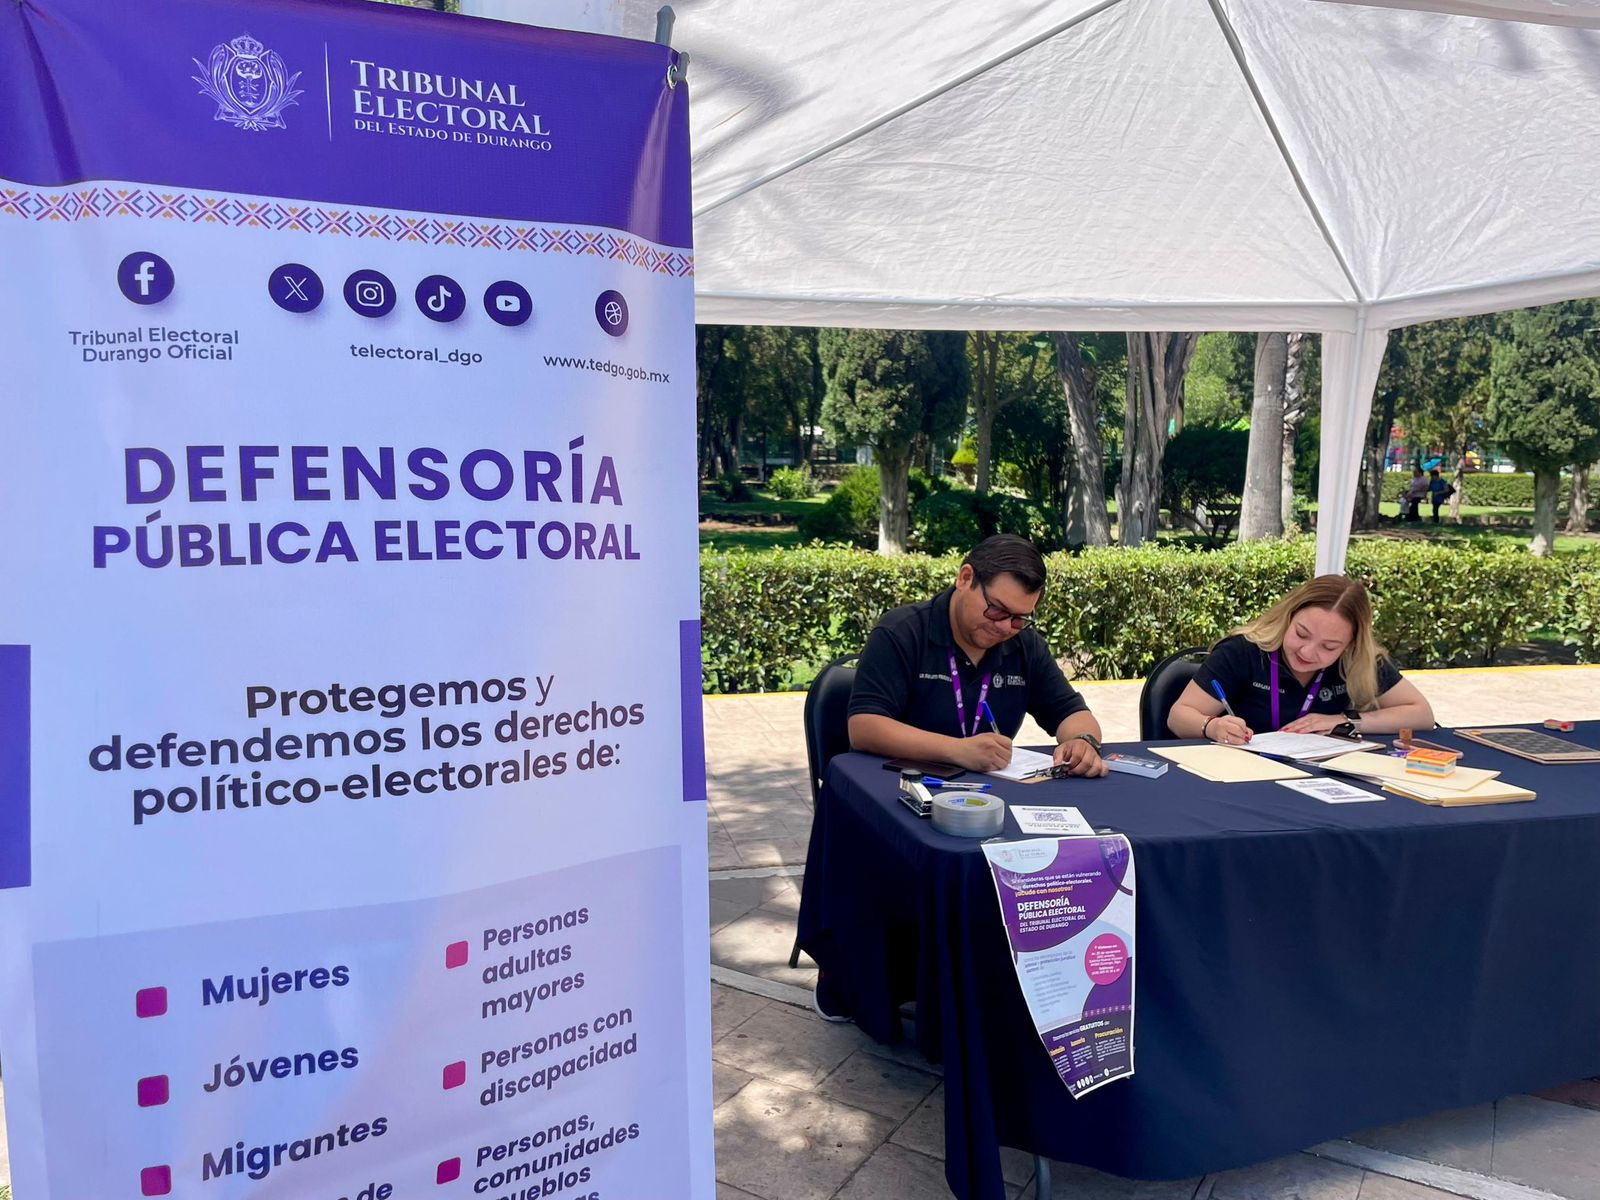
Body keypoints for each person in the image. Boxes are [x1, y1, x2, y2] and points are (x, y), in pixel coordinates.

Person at [848, 534, 1107, 776]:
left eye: (1019, 618)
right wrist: (957, 750)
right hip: (898, 784)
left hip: (987, 792)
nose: (1005, 627)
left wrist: (1082, 741)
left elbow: (1072, 713)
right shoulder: (902, 632)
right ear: (965, 578)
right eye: (996, 610)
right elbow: (864, 727)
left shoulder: (1025, 645)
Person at [1166, 575, 1434, 744]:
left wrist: (1345, 720)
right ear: (1288, 617)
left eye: (1329, 647)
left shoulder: (1358, 659)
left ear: (1350, 645)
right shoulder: (1242, 651)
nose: (1307, 652)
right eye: (1301, 634)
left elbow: (1422, 714)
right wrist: (1213, 727)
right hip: (1241, 775)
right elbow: (1178, 716)